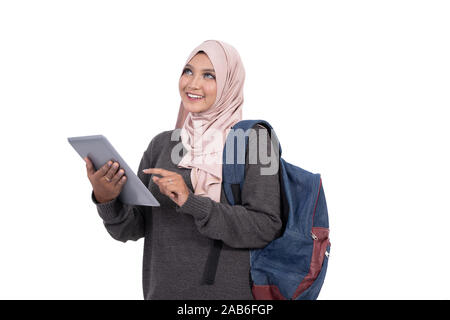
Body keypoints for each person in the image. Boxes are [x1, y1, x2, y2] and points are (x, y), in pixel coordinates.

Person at [84, 40, 282, 300]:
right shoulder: (164, 144)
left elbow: (266, 226)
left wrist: (191, 201)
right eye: (188, 71)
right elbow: (131, 229)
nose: (193, 84)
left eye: (209, 75)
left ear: (229, 82)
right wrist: (107, 198)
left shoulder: (255, 141)